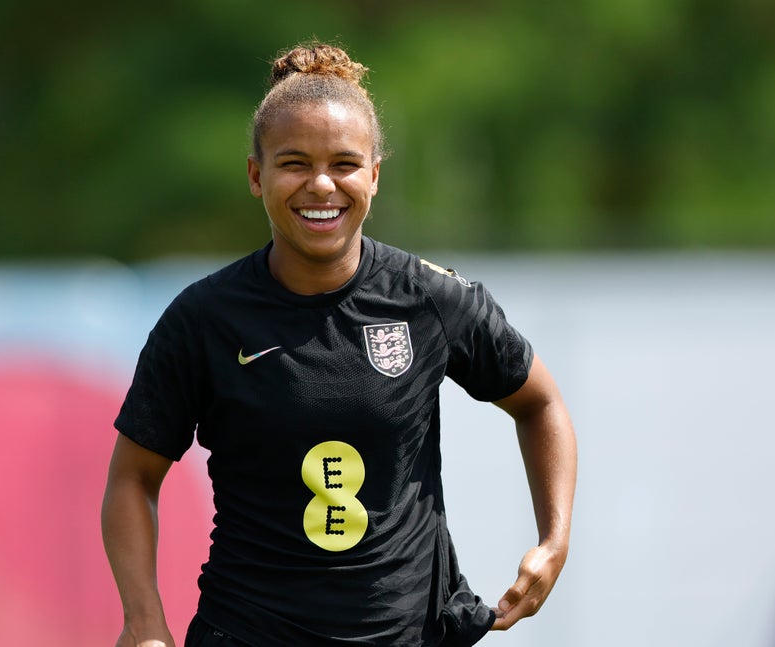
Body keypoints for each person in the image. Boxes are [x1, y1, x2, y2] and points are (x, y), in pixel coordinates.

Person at [102, 42, 577, 647]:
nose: (321, 185)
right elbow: (133, 479)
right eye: (294, 163)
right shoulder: (203, 319)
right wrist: (143, 621)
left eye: (345, 164)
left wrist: (554, 540)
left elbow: (540, 403)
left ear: (375, 175)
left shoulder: (431, 299)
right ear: (256, 175)